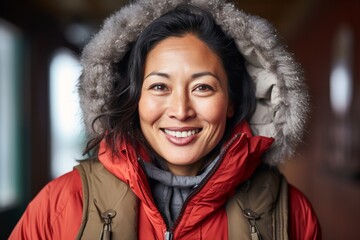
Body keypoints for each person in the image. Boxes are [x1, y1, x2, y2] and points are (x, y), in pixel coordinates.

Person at [10, 0, 321, 239]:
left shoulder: (288, 211)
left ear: (231, 101)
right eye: (159, 86)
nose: (181, 109)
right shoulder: (59, 205)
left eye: (202, 87)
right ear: (135, 98)